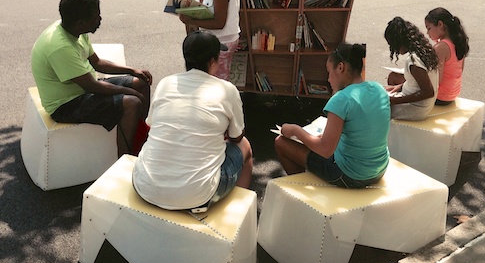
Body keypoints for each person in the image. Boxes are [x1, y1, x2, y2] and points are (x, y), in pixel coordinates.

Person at [133, 30, 253, 212]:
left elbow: (152, 123)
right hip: (199, 195)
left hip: (145, 185)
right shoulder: (227, 90)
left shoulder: (166, 83)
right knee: (245, 147)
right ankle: (238, 212)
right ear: (213, 61)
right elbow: (236, 137)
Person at [31, 0, 152, 156]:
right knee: (132, 102)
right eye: (96, 16)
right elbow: (93, 86)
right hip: (66, 104)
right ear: (81, 22)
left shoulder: (75, 31)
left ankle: (139, 136)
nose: (100, 19)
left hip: (84, 89)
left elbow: (97, 63)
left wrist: (133, 70)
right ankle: (126, 158)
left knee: (141, 83)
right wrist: (128, 91)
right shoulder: (60, 47)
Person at [274, 43, 390, 188]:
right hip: (379, 170)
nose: (328, 79)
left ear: (340, 67)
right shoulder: (379, 89)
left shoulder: (342, 99)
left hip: (350, 175)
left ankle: (303, 191)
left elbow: (325, 149)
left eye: (329, 72)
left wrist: (295, 130)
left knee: (281, 142)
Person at [384, 17, 439, 121]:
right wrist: (399, 87)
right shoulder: (424, 51)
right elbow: (418, 83)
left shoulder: (414, 62)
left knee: (375, 108)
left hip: (416, 109)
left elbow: (428, 92)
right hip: (422, 105)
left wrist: (394, 101)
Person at [424, 8, 470, 105]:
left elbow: (436, 80)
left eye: (429, 28)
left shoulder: (441, 47)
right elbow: (459, 70)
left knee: (396, 78)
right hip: (453, 93)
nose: (427, 33)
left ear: (440, 24)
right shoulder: (458, 41)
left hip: (440, 97)